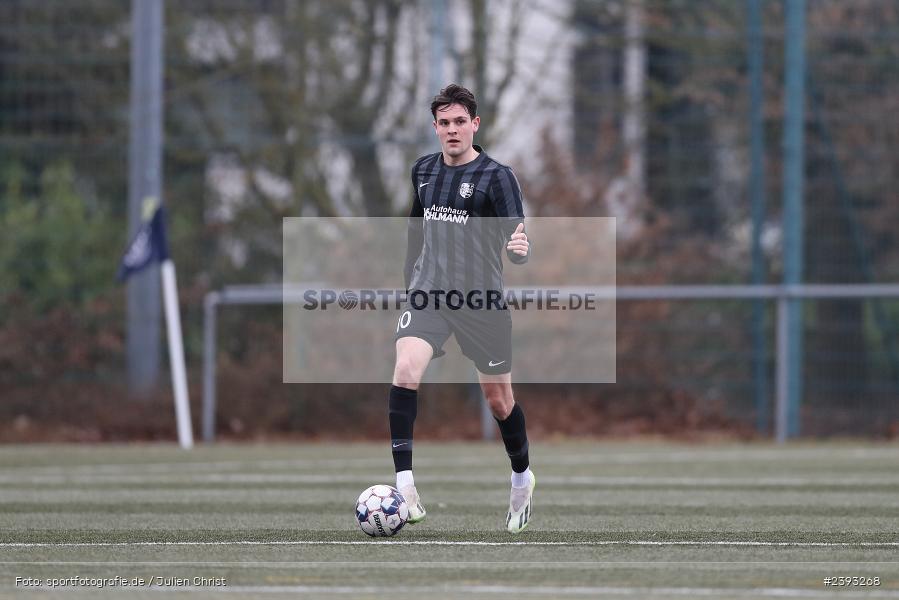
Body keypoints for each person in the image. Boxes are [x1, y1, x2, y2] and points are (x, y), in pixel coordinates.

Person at [388, 84, 534, 534]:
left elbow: (516, 240)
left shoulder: (497, 176)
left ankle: (522, 478)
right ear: (435, 128)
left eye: (459, 122)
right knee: (405, 369)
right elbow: (416, 229)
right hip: (429, 292)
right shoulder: (423, 171)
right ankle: (405, 486)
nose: (452, 130)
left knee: (499, 401)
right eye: (444, 123)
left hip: (481, 301)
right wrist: (408, 283)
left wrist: (520, 249)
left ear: (475, 124)